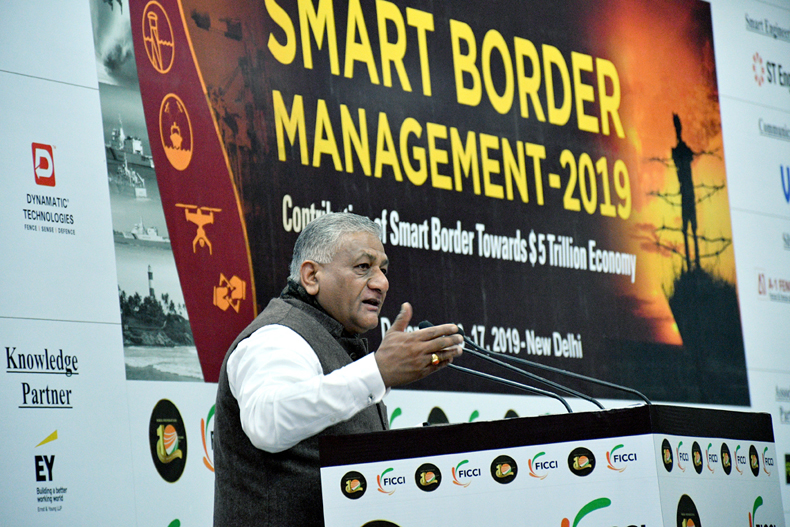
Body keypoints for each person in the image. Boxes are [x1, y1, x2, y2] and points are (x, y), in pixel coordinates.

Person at [213, 212, 463, 526]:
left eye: (383, 269)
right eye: (363, 266)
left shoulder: (335, 339)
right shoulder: (276, 337)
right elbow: (268, 423)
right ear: (311, 277)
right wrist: (378, 372)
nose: (382, 282)